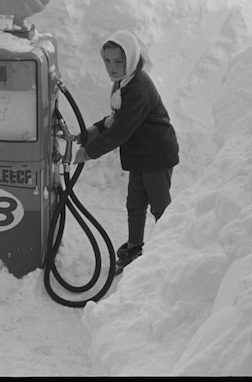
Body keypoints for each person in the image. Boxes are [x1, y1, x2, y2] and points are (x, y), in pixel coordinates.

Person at [73, 30, 180, 274]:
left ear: (130, 59)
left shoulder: (138, 88)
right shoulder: (125, 82)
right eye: (107, 61)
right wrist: (91, 131)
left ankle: (171, 252)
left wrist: (88, 153)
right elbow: (116, 119)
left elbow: (120, 131)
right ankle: (134, 248)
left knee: (161, 207)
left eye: (118, 61)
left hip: (156, 155)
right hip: (140, 155)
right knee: (135, 204)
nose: (112, 67)